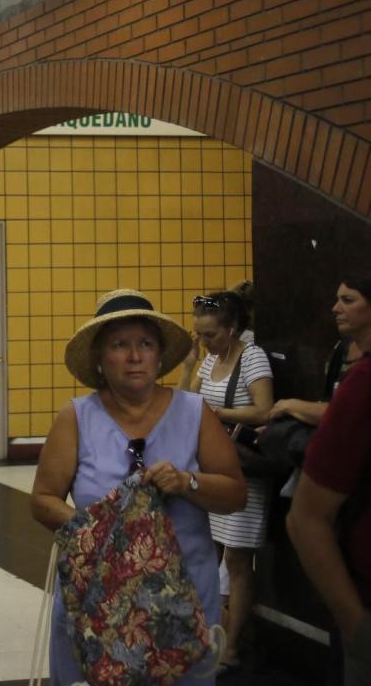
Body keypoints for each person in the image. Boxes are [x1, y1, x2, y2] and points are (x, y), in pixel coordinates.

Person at [32, 289, 246, 685]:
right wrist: (98, 531)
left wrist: (187, 482)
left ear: (160, 356)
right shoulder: (76, 417)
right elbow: (43, 500)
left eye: (145, 344)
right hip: (98, 597)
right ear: (100, 359)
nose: (135, 356)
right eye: (120, 345)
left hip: (183, 601)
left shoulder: (194, 412)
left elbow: (235, 493)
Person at [177, 290, 273, 673]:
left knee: (237, 558)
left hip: (245, 471)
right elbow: (186, 404)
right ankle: (212, 636)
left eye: (211, 335)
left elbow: (264, 409)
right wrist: (188, 365)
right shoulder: (210, 358)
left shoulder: (252, 357)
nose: (205, 342)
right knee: (213, 553)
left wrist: (220, 413)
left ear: (232, 329)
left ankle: (231, 648)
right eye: (199, 335)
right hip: (216, 467)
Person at [288, 274, 371, 686]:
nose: (335, 308)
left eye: (347, 299)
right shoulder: (360, 381)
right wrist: (358, 629)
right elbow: (305, 519)